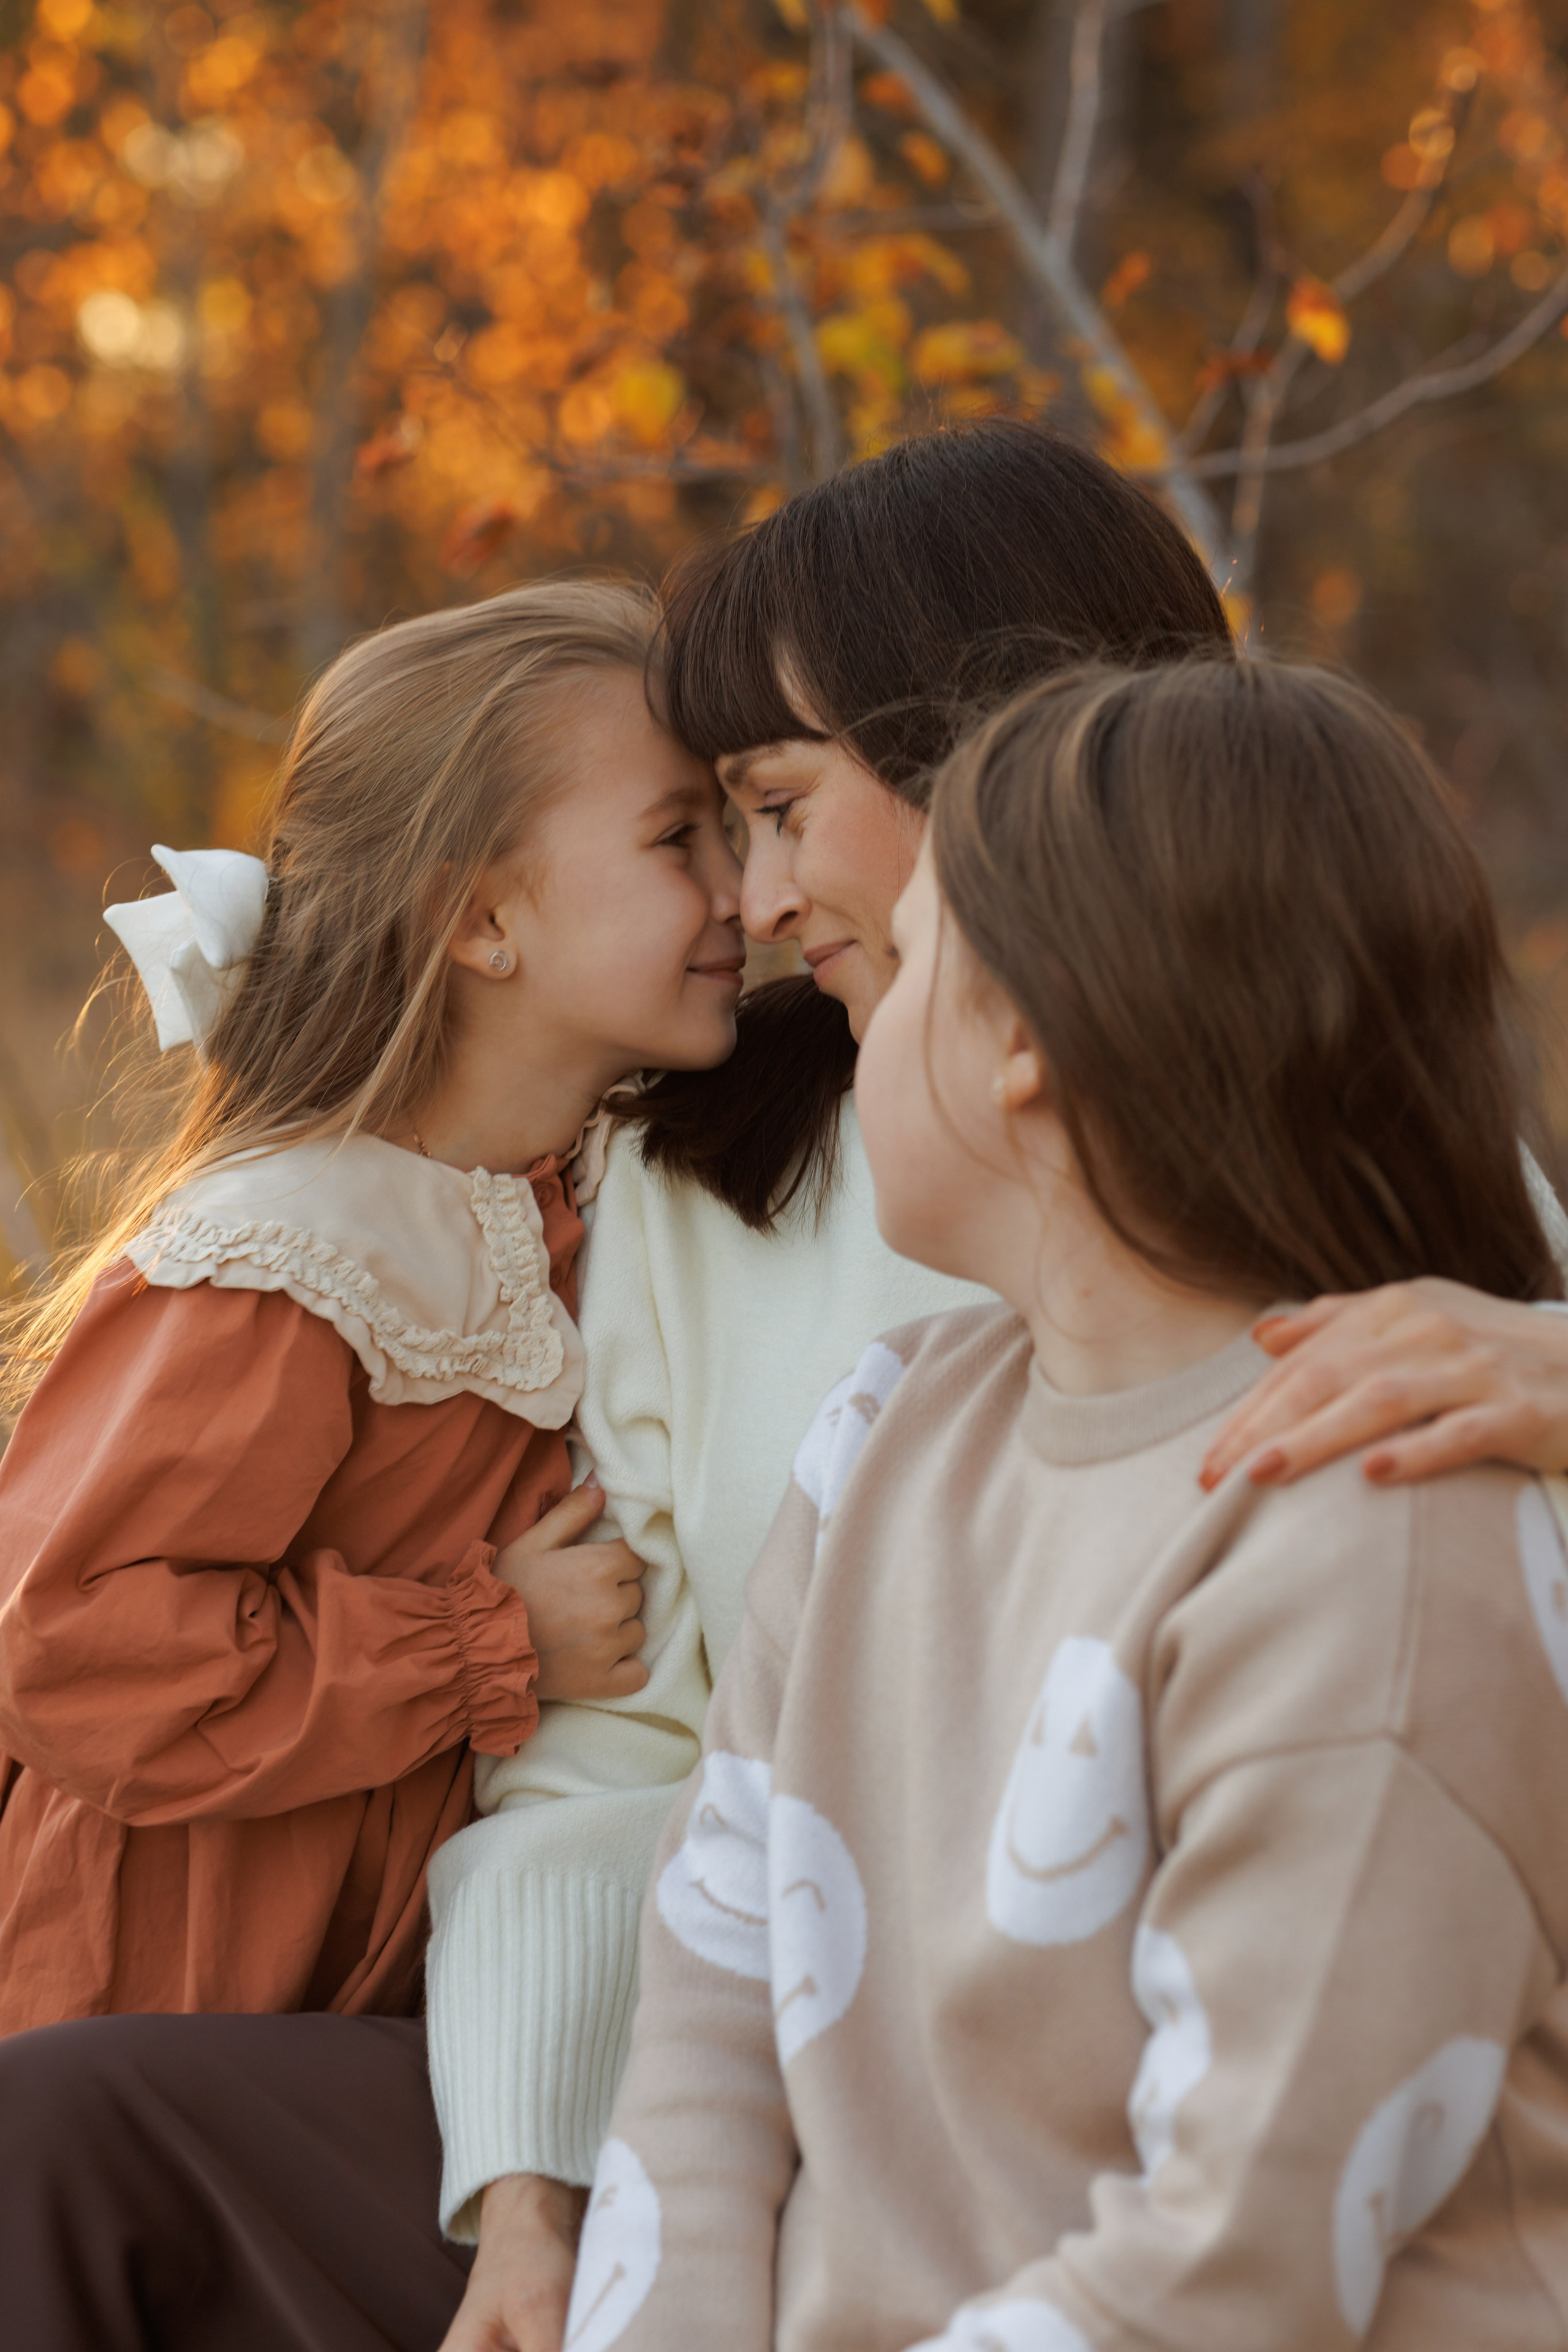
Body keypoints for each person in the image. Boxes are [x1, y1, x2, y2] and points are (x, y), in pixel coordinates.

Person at [576, 657, 1568, 2352]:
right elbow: (705, 2031)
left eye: (921, 956)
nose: (852, 998)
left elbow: (1231, 2264)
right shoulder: (885, 1432)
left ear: (1027, 1040)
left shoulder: (1380, 1536)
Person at [0, 582, 748, 2290]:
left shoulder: (575, 1201)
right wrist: (482, 1639)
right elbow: (76, 1643)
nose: (740, 892)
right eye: (676, 837)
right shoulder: (295, 1254)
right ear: (483, 923)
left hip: (372, 2000)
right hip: (170, 1981)